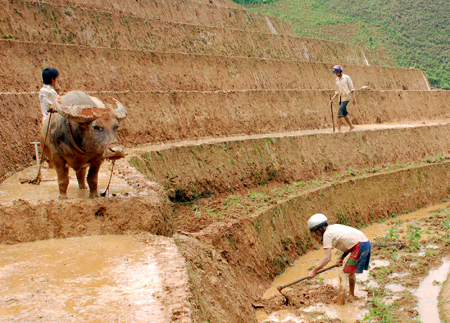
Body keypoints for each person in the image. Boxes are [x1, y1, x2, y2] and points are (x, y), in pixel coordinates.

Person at [307, 213, 371, 305]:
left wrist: (314, 270)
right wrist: (341, 257)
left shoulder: (327, 235)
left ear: (320, 228)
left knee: (343, 275)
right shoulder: (333, 227)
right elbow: (350, 243)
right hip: (364, 243)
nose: (316, 234)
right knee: (350, 272)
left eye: (315, 231)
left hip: (359, 246)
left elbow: (327, 257)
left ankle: (340, 303)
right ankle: (351, 295)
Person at [330, 65, 355, 132]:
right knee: (344, 113)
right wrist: (332, 98)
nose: (336, 74)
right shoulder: (337, 80)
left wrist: (354, 98)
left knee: (340, 111)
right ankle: (351, 126)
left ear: (340, 72)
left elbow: (352, 88)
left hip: (346, 97)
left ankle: (339, 129)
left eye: (337, 73)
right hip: (340, 98)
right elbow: (337, 91)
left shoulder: (347, 78)